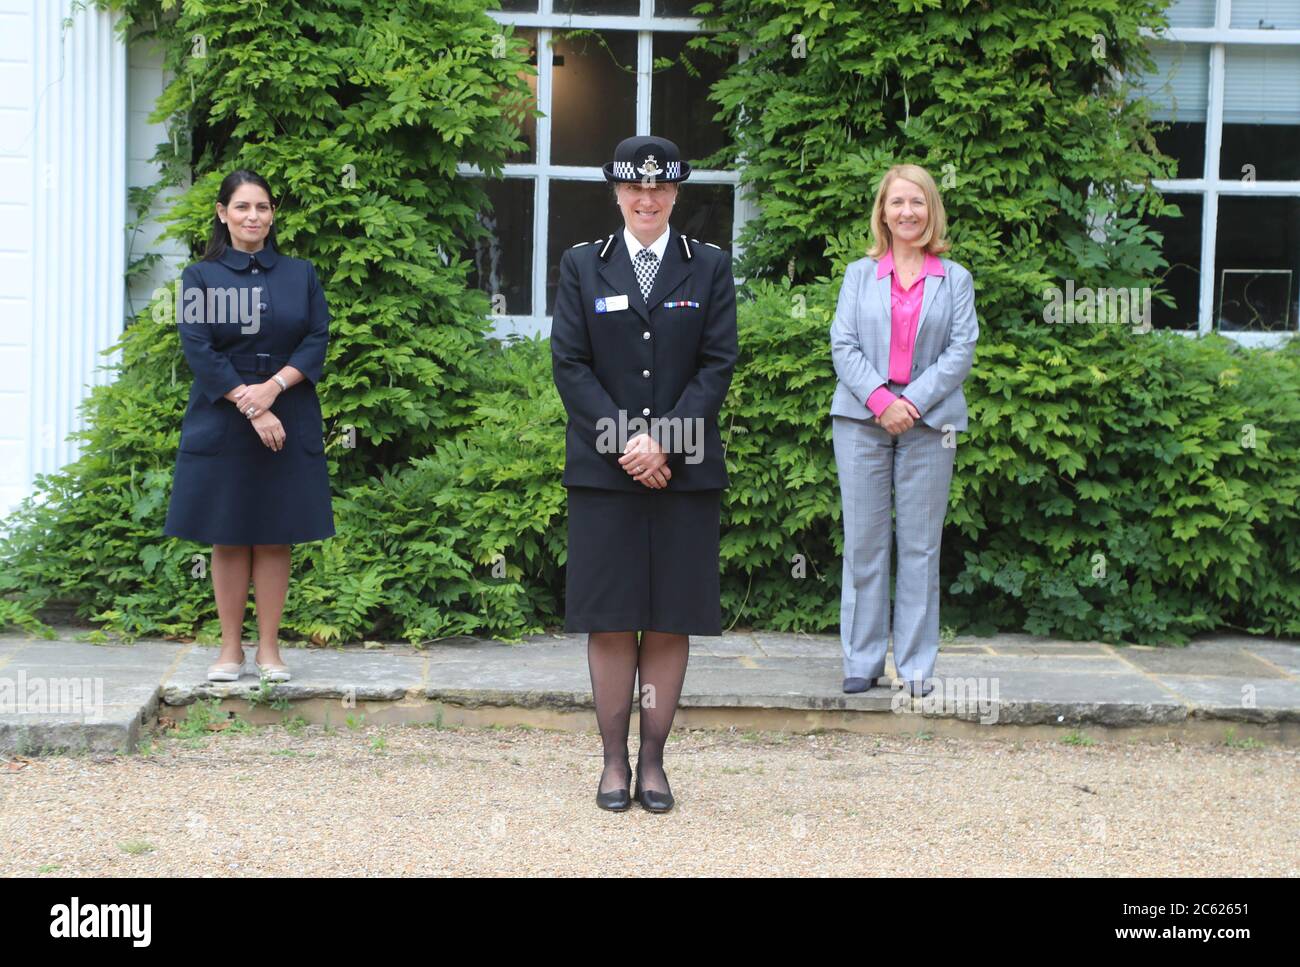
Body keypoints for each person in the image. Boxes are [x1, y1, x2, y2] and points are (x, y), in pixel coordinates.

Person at [551, 135, 738, 813]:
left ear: (676, 194)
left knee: (667, 618)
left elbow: (717, 364)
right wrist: (628, 442)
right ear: (618, 194)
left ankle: (653, 762)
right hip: (606, 474)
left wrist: (666, 444)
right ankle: (611, 762)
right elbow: (570, 365)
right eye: (635, 189)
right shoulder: (583, 265)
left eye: (659, 189)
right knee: (611, 619)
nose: (647, 199)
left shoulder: (708, 266)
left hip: (683, 475)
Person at [163, 169, 334, 684]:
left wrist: (273, 390)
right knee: (229, 534)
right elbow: (197, 344)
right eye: (242, 207)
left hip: (289, 413)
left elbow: (316, 337)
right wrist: (250, 404)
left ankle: (269, 651)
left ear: (272, 214)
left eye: (262, 207)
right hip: (224, 420)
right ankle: (229, 651)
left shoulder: (300, 273)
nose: (253, 216)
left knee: (276, 533)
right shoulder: (200, 277)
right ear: (222, 214)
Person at [828, 163, 979, 698]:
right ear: (883, 213)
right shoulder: (857, 275)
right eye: (897, 203)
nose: (907, 212)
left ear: (930, 210)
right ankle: (862, 660)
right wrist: (880, 400)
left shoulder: (955, 278)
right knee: (865, 543)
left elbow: (960, 352)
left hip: (929, 423)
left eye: (917, 202)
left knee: (919, 546)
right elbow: (842, 345)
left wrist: (908, 403)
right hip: (861, 420)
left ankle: (914, 667)